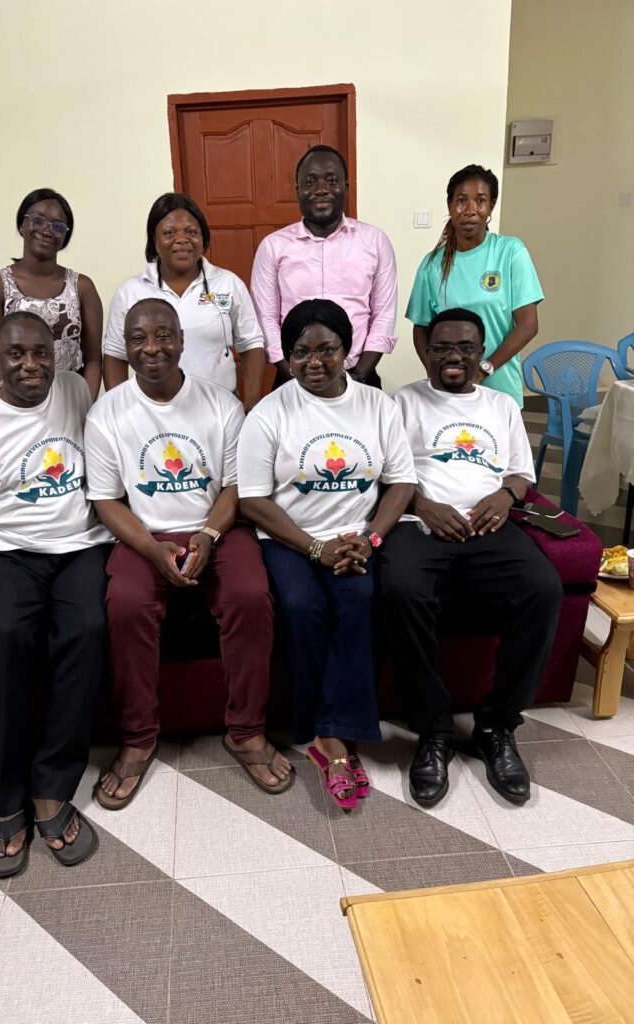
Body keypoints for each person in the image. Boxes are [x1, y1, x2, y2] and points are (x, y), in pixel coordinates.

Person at [85, 298, 292, 807]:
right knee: (125, 605)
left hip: (217, 529)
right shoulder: (107, 412)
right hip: (143, 534)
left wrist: (209, 535)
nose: (151, 348)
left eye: (163, 336)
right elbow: (106, 500)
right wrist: (151, 549)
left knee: (250, 595)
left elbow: (236, 486)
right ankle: (138, 737)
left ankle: (246, 730)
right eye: (138, 339)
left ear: (181, 340)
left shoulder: (221, 404)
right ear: (125, 347)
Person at [0, 311, 111, 878]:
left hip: (81, 546)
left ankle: (51, 787)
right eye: (16, 354)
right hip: (9, 553)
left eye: (41, 352)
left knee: (87, 629)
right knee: (7, 637)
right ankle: (7, 794)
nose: (31, 364)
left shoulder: (76, 391)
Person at [237, 299, 416, 812]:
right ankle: (326, 734)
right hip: (289, 537)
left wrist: (371, 538)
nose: (314, 363)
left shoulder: (377, 406)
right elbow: (253, 499)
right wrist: (315, 547)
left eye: (326, 350)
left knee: (358, 599)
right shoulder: (270, 412)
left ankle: (331, 735)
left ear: (348, 349)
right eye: (300, 353)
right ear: (287, 357)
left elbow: (402, 482)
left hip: (356, 537)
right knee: (301, 606)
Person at [380, 308, 563, 808]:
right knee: (401, 589)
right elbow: (387, 475)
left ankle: (497, 727)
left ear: (482, 354)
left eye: (465, 348)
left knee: (543, 588)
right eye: (442, 348)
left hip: (490, 524)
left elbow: (520, 474)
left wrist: (505, 497)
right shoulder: (401, 402)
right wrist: (422, 505)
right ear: (427, 352)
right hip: (421, 524)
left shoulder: (501, 405)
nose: (453, 357)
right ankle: (433, 731)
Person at [251, 145, 398, 388]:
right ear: (298, 191)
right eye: (310, 182)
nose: (321, 189)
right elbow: (266, 318)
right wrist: (294, 374)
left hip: (359, 375)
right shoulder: (273, 247)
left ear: (346, 188)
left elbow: (384, 314)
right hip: (293, 377)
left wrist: (359, 376)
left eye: (331, 181)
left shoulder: (375, 241)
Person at [103, 193, 266, 411]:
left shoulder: (228, 283)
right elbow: (115, 355)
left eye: (191, 232)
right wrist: (120, 409)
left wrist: (252, 403)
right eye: (169, 233)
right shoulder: (130, 292)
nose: (182, 239)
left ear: (203, 238)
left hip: (220, 410)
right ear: (154, 241)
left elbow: (251, 344)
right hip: (152, 412)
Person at [405, 164, 543, 408]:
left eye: (480, 201)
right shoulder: (432, 265)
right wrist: (435, 375)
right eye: (461, 201)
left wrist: (483, 370)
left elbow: (528, 325)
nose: (470, 210)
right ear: (449, 205)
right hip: (449, 393)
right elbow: (421, 329)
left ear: (491, 206)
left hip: (500, 389)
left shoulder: (510, 252)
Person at [0, 188, 103, 400]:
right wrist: (15, 402)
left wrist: (84, 406)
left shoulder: (82, 287)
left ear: (65, 236)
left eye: (58, 226)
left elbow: (93, 361)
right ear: (21, 225)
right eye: (37, 220)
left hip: (69, 403)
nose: (47, 230)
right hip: (17, 403)